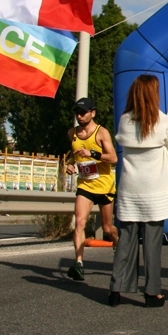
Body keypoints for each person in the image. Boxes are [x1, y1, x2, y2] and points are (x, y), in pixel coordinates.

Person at [109, 75, 168, 307]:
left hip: (130, 189)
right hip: (155, 191)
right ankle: (152, 292)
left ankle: (116, 288)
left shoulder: (124, 121)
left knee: (126, 240)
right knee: (152, 244)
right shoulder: (162, 120)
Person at [64, 97, 118, 281]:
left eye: (83, 112)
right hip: (85, 184)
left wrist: (93, 153)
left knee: (108, 228)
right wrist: (70, 165)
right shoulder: (72, 133)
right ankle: (79, 263)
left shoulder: (101, 133)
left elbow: (113, 158)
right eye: (77, 113)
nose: (79, 116)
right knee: (79, 222)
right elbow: (74, 154)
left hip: (104, 185)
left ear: (92, 113)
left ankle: (119, 246)